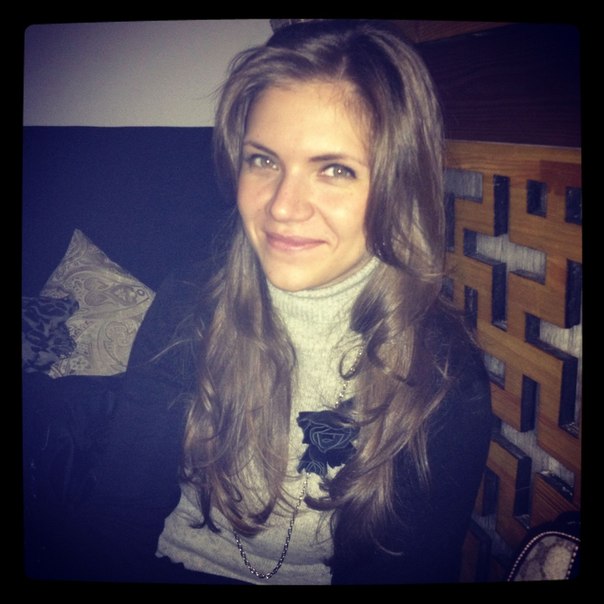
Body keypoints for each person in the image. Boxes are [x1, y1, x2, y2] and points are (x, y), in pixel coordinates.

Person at [27, 19, 492, 585]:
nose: (282, 207)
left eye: (335, 170)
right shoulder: (192, 302)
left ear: (400, 184)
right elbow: (118, 517)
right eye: (264, 160)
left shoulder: (442, 376)